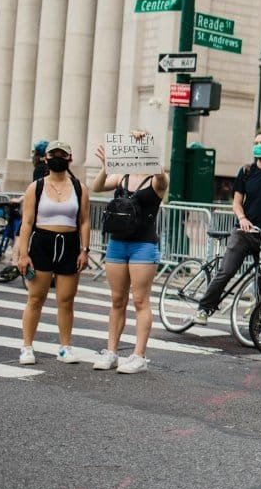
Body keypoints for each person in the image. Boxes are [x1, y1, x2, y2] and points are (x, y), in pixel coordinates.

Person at [194, 130, 261, 325]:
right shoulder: (246, 171)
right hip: (245, 232)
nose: (258, 145)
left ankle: (260, 323)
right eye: (256, 142)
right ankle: (204, 309)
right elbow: (237, 202)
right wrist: (241, 218)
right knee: (227, 270)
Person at [89, 132, 170, 374]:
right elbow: (97, 186)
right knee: (117, 299)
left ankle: (138, 355)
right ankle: (111, 352)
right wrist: (106, 166)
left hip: (143, 245)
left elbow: (161, 175)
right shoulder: (121, 176)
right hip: (117, 243)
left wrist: (146, 141)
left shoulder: (156, 180)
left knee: (140, 300)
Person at [13, 141, 91, 366]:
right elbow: (27, 223)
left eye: (62, 154)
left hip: (70, 243)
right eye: (54, 154)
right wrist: (23, 254)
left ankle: (65, 347)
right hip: (41, 243)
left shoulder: (79, 188)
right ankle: (27, 346)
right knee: (36, 298)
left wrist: (84, 250)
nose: (58, 158)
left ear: (69, 159)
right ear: (46, 159)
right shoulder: (36, 187)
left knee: (66, 300)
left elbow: (85, 221)